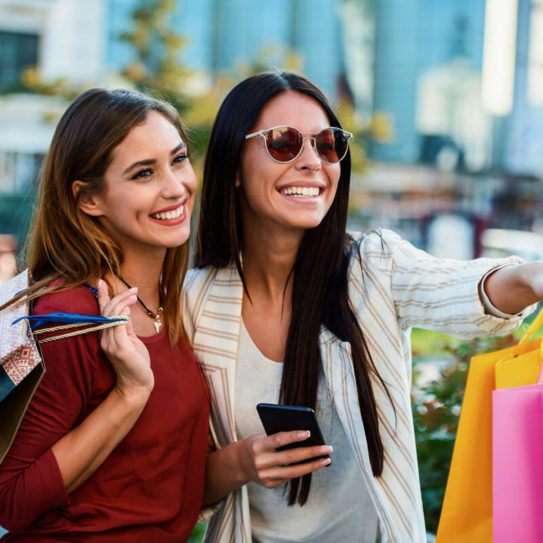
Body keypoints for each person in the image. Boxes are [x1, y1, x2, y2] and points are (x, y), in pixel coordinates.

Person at [183, 71, 543, 543]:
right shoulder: (195, 302)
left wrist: (532, 276)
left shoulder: (371, 266)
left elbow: (464, 289)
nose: (312, 162)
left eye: (327, 144)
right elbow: (176, 482)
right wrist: (240, 463)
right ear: (233, 165)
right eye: (284, 144)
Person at [0, 88, 209, 541]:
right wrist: (129, 394)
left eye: (177, 159)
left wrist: (244, 464)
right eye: (143, 174)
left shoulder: (167, 305)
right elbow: (10, 499)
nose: (175, 187)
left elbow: (142, 484)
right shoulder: (70, 315)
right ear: (88, 199)